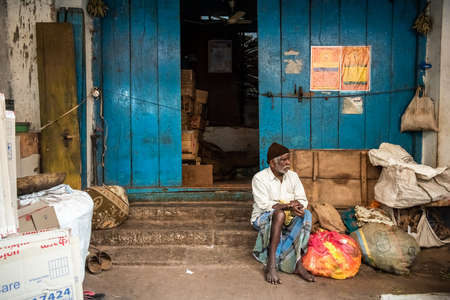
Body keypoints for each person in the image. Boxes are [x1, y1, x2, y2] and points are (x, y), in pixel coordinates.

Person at [251, 142, 315, 284]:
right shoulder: (259, 178)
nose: (287, 163)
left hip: (288, 215)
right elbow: (264, 205)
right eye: (283, 160)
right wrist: (287, 206)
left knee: (306, 215)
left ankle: (298, 263)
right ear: (272, 164)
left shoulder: (293, 176)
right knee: (279, 214)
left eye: (288, 159)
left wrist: (298, 206)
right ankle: (271, 263)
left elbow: (302, 199)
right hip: (263, 217)